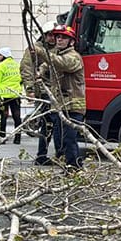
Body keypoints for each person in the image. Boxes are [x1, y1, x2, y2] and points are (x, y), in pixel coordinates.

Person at [37, 25, 86, 172]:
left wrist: (41, 51)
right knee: (60, 139)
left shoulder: (73, 57)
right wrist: (40, 74)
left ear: (71, 42)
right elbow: (46, 66)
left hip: (73, 106)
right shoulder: (55, 55)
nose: (59, 39)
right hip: (59, 106)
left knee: (69, 139)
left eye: (64, 37)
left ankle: (73, 168)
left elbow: (61, 64)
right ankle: (70, 165)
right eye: (58, 37)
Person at [22, 21, 62, 165]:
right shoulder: (34, 49)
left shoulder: (59, 49)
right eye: (49, 35)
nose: (52, 38)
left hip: (57, 92)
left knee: (55, 124)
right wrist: (30, 90)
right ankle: (45, 155)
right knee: (49, 124)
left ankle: (49, 155)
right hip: (44, 91)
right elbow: (26, 69)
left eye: (55, 35)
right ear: (43, 35)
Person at [0, 47, 23, 143]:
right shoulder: (17, 65)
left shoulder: (0, 66)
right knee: (17, 116)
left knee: (3, 116)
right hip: (15, 95)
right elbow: (21, 79)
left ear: (4, 56)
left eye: (0, 55)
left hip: (3, 96)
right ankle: (17, 138)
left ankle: (2, 137)